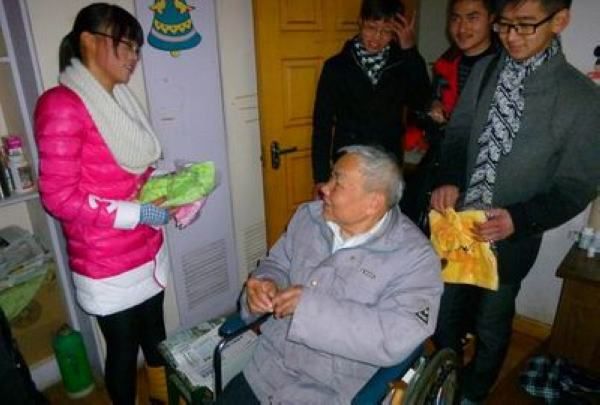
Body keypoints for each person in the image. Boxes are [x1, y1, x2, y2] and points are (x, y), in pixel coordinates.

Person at [429, 0, 600, 403]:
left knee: (491, 325)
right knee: (444, 314)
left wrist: (518, 219)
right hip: (460, 228)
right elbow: (459, 133)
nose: (510, 37)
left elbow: (577, 185)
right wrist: (450, 179)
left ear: (559, 20)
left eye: (524, 25)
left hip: (512, 238)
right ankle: (444, 382)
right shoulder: (488, 69)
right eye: (504, 24)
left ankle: (474, 392)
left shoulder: (582, 98)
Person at [218, 145, 442, 404]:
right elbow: (277, 263)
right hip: (267, 372)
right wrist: (265, 284)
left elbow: (396, 337)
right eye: (330, 177)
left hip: (329, 392)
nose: (324, 188)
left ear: (373, 203)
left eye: (338, 182)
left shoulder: (416, 259)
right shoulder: (309, 217)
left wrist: (309, 308)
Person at [34, 4, 172, 404]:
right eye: (125, 45)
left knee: (157, 342)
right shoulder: (61, 105)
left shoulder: (119, 100)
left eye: (136, 49)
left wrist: (172, 190)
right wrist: (136, 212)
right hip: (106, 264)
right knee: (124, 353)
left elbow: (133, 172)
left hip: (147, 250)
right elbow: (58, 197)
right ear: (89, 42)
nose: (133, 57)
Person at [311, 0, 431, 195]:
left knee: (385, 213)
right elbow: (322, 125)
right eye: (371, 28)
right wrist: (321, 177)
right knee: (347, 212)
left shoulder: (403, 64)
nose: (377, 38)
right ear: (360, 21)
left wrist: (410, 50)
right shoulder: (336, 67)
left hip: (388, 164)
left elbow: (422, 102)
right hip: (349, 161)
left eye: (386, 31)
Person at [401, 0, 497, 231]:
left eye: (472, 18)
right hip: (440, 166)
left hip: (480, 177)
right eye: (455, 18)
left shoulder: (502, 69)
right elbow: (423, 106)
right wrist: (433, 112)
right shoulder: (448, 62)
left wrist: (452, 121)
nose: (462, 28)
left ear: (492, 18)